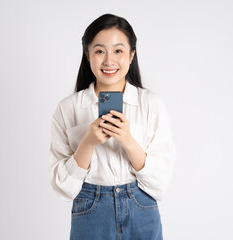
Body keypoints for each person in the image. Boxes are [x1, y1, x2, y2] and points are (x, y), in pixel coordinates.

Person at [48, 13, 176, 240]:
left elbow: (160, 185)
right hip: (90, 213)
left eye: (118, 50)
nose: (109, 61)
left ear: (131, 55)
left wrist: (127, 140)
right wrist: (87, 142)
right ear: (87, 55)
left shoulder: (151, 105)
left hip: (141, 211)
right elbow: (63, 189)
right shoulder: (68, 108)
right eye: (99, 51)